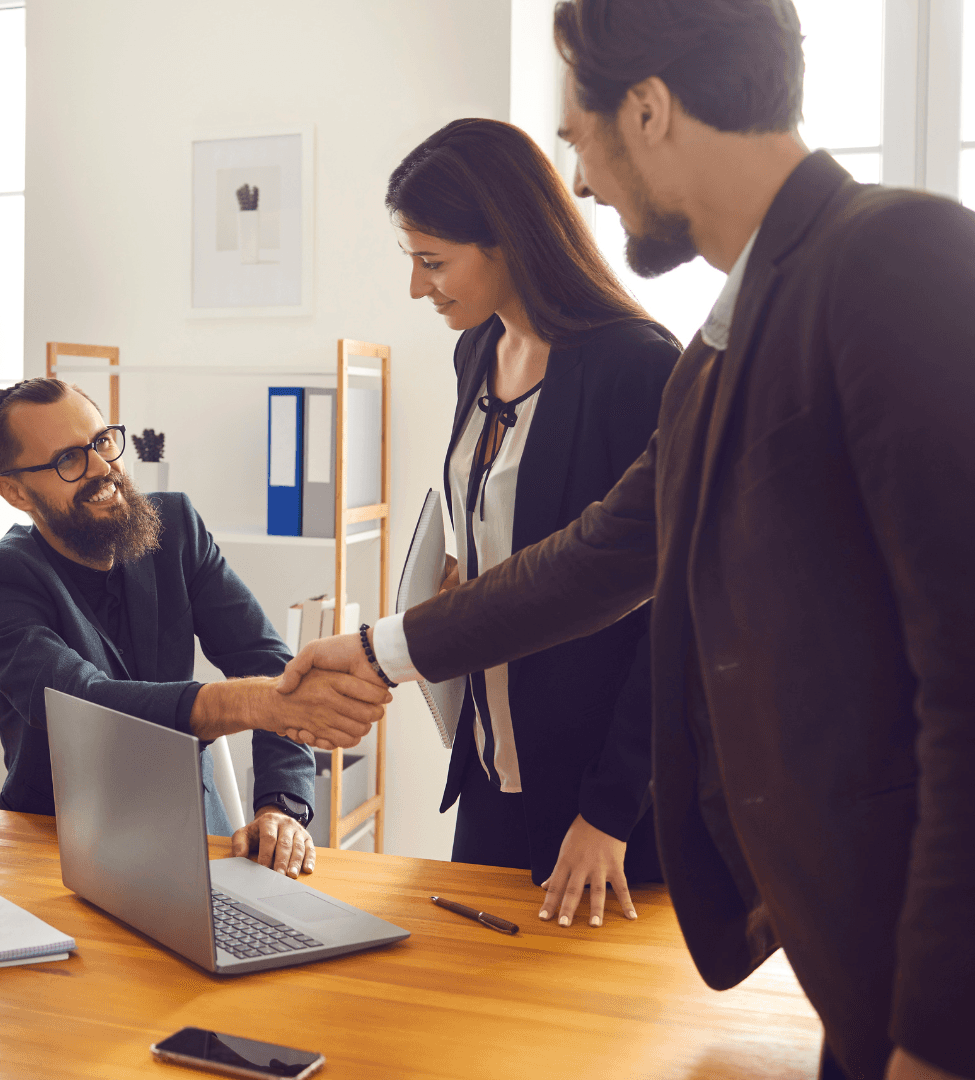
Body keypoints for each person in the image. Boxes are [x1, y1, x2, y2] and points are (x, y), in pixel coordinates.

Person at [280, 2, 974, 1078]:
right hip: (852, 971)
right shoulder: (718, 346)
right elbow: (597, 558)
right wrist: (380, 651)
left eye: (577, 137)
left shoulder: (895, 253)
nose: (584, 180)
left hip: (922, 995)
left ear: (646, 110)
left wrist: (934, 1037)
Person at [385, 117, 680, 922]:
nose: (418, 286)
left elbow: (675, 616)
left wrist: (611, 809)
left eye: (433, 261)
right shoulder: (474, 351)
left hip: (601, 807)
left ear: (508, 240)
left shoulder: (638, 366)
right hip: (488, 776)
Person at [0, 379, 392, 876]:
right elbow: (84, 704)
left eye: (101, 442)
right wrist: (253, 701)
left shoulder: (176, 528)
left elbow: (270, 664)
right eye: (68, 461)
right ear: (15, 491)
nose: (103, 469)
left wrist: (280, 807)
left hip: (196, 834)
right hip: (56, 849)